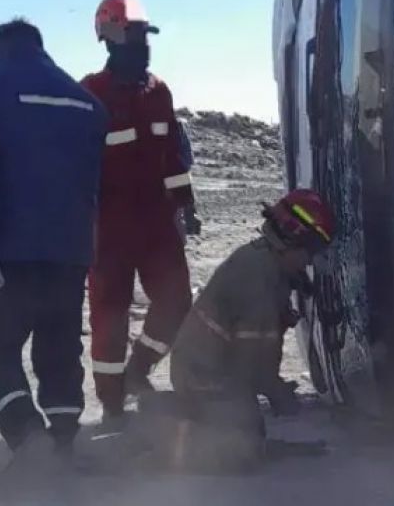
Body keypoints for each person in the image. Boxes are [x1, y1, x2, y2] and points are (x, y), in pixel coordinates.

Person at [0, 19, 106, 473]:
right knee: (59, 349)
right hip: (70, 252)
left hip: (9, 251)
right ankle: (63, 441)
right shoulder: (87, 103)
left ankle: (27, 437)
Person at [132, 189, 335, 472]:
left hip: (213, 367)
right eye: (309, 253)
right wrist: (276, 391)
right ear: (292, 240)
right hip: (205, 374)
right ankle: (158, 442)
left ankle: (177, 414)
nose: (310, 262)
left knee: (249, 429)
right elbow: (249, 361)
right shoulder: (259, 280)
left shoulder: (265, 263)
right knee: (242, 453)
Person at [80, 0, 202, 431]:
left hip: (156, 223)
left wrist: (186, 205)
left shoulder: (159, 92)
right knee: (109, 316)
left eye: (144, 36)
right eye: (133, 35)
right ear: (109, 38)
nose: (141, 44)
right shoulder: (90, 93)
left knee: (177, 301)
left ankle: (139, 369)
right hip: (109, 229)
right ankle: (112, 405)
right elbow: (76, 163)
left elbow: (173, 158)